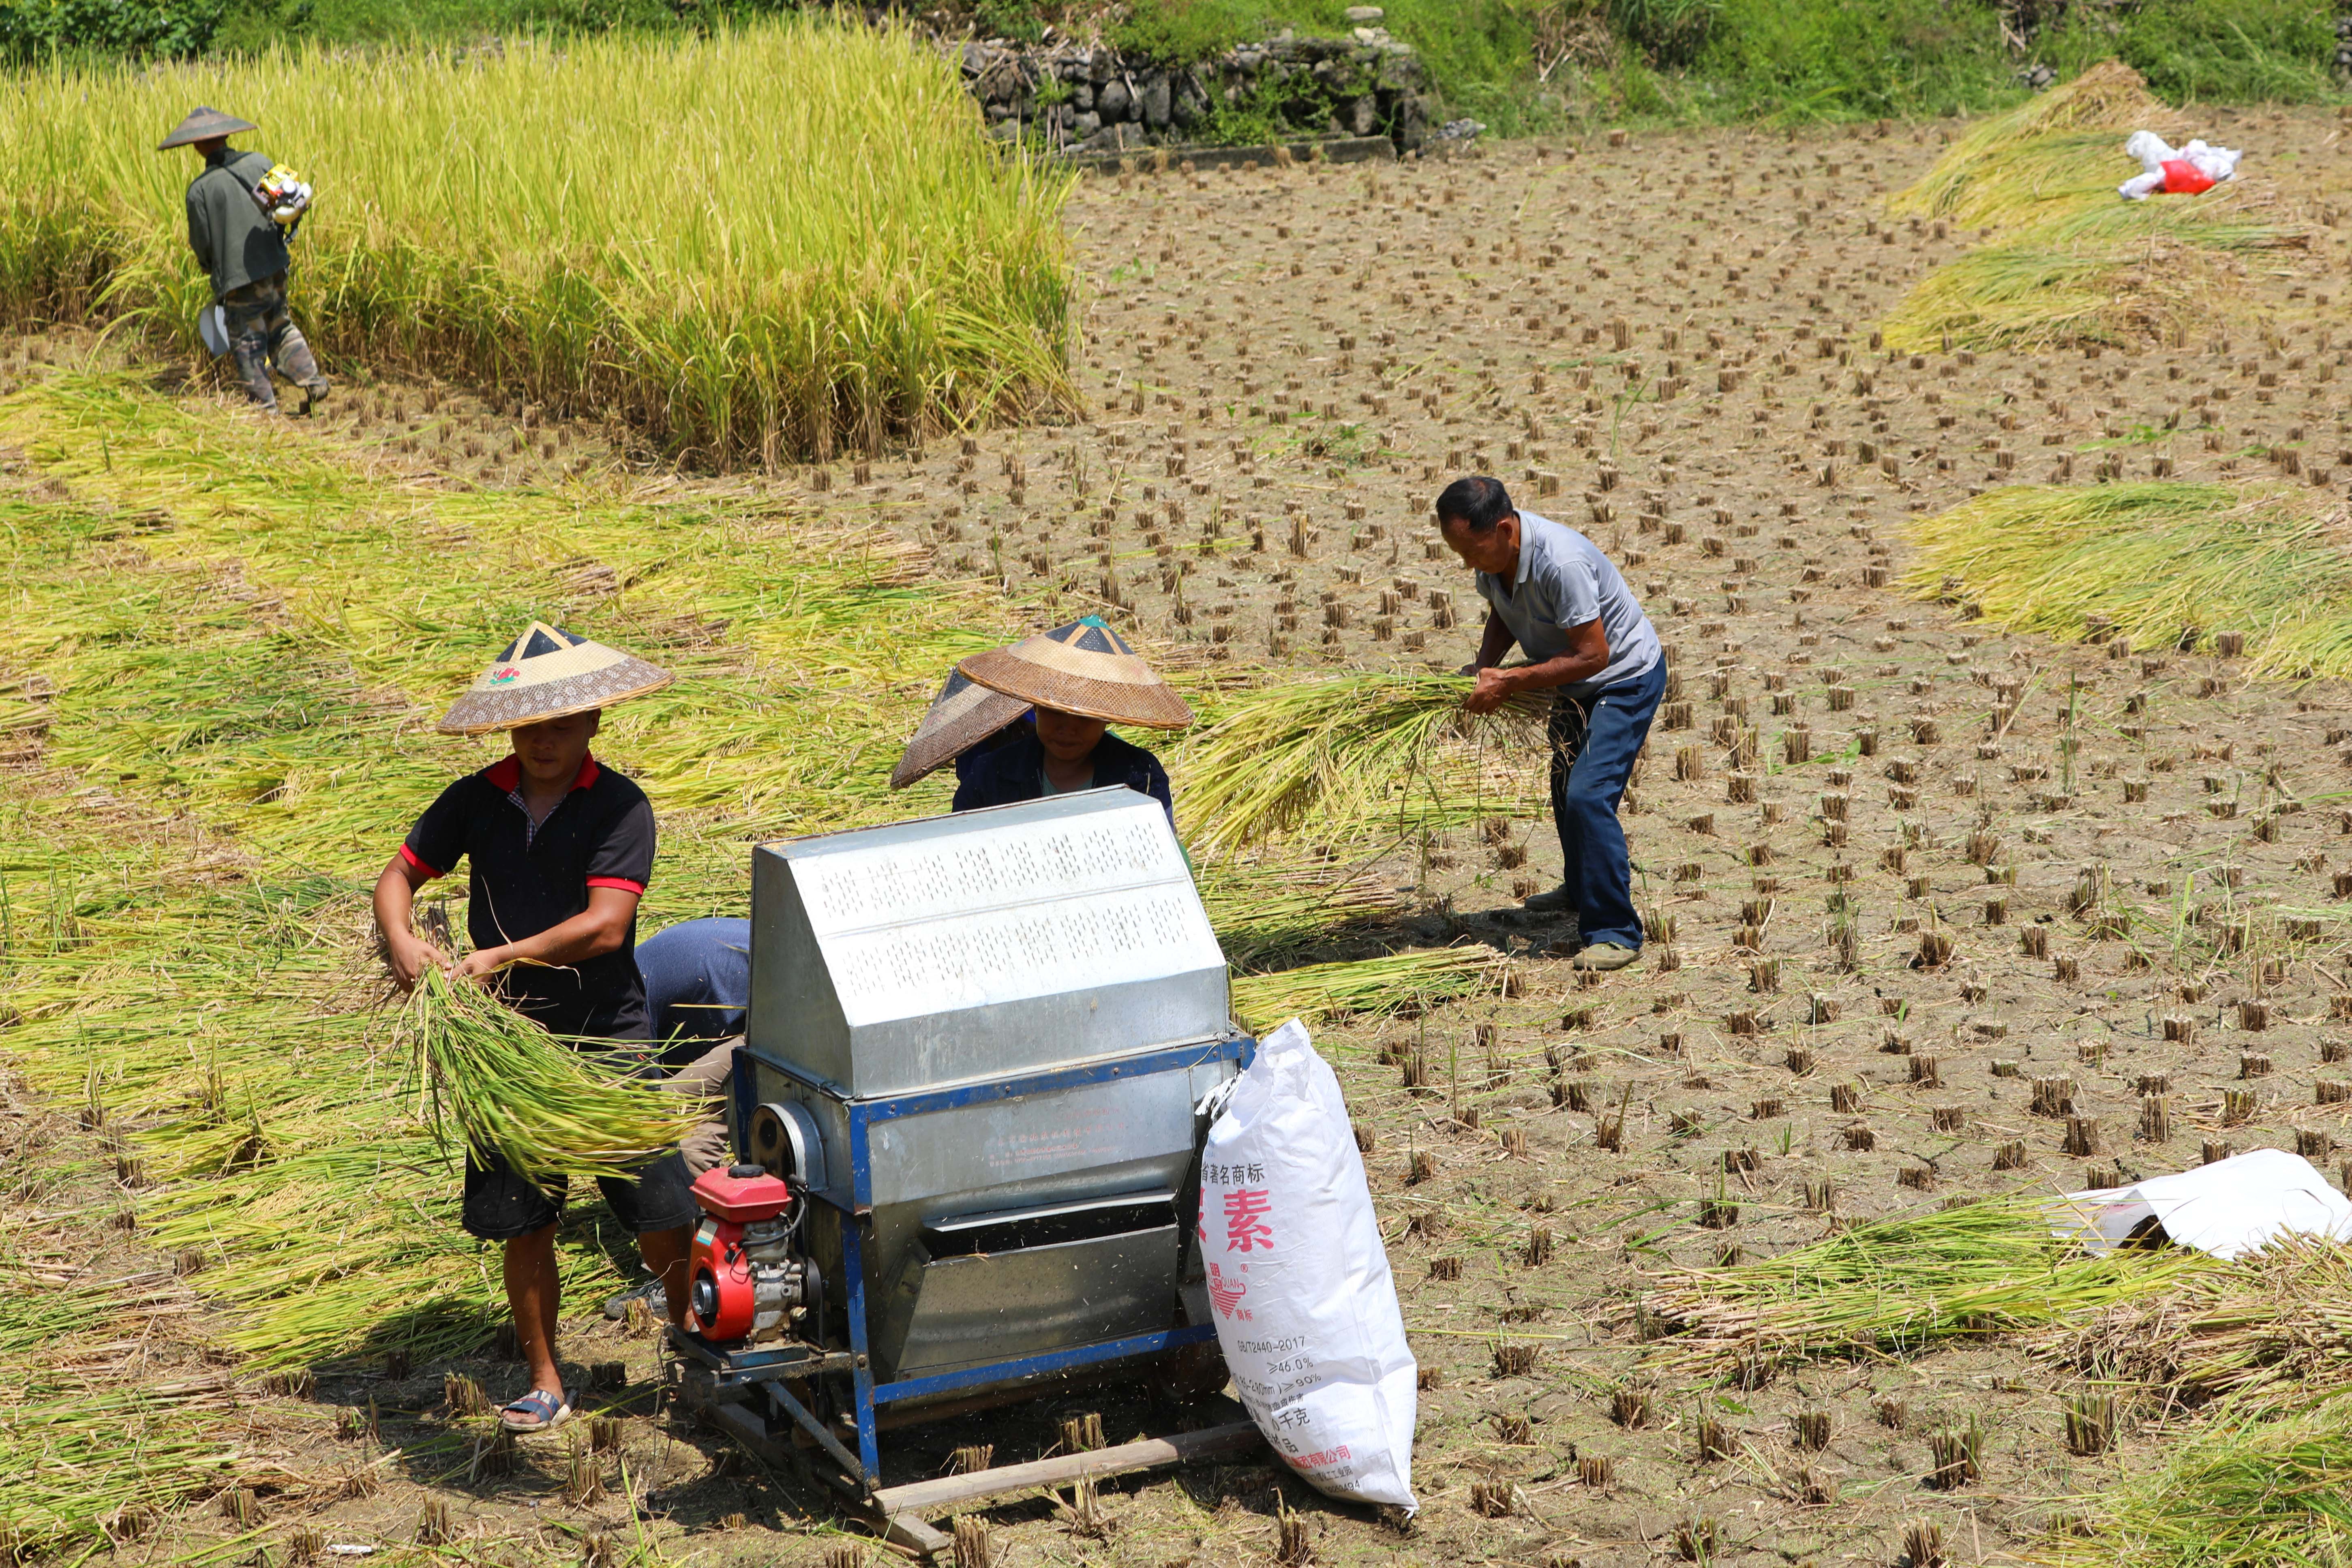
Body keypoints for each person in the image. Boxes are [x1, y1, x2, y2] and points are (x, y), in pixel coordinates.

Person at [373, 621, 685, 1432]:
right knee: (527, 1220)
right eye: (528, 726)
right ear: (510, 728)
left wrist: (494, 958)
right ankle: (547, 1379)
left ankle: (695, 1347)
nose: (543, 740)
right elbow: (400, 874)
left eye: (560, 724)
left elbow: (607, 925)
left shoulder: (620, 805)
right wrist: (404, 941)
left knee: (658, 1213)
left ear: (592, 722)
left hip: (604, 1039)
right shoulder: (479, 798)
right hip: (506, 1040)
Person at [1435, 476, 1664, 973]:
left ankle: (1615, 932)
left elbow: (1594, 654)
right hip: (1573, 680)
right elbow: (1504, 612)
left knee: (1588, 794)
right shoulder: (1494, 562)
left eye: (1471, 550)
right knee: (1564, 784)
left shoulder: (1561, 563)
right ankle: (1582, 888)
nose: (1466, 563)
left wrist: (1512, 681)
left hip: (1622, 679)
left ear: (1502, 529)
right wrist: (1483, 665)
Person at [158, 105, 329, 416]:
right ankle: (314, 382)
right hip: (275, 265)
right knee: (281, 326)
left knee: (248, 343)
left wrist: (212, 268)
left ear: (197, 146)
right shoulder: (260, 163)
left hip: (240, 280)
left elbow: (203, 245)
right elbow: (285, 209)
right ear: (226, 136)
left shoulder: (199, 191)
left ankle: (265, 412)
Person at [948, 617, 1191, 821]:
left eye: (1083, 716)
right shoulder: (991, 775)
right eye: (1055, 711)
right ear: (1036, 706)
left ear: (1106, 718)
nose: (1068, 728)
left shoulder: (1141, 779)